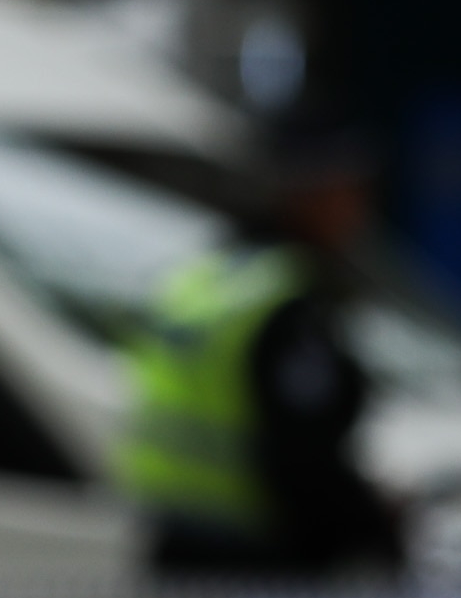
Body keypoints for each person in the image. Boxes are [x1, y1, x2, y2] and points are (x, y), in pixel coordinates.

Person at [120, 122, 402, 572]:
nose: (358, 212)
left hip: (174, 542)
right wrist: (375, 534)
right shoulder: (285, 300)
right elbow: (303, 458)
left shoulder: (205, 275)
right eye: (351, 193)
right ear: (314, 196)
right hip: (256, 562)